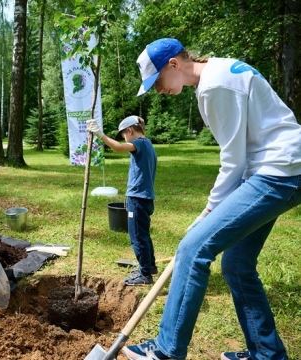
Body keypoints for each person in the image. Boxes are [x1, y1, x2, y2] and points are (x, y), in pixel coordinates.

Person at [122, 38, 301, 360]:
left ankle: (166, 350)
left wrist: (210, 209)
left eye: (157, 81)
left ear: (174, 64)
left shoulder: (214, 87)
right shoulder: (219, 71)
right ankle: (267, 354)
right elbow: (241, 155)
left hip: (277, 171)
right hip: (280, 169)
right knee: (236, 263)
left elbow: (233, 159)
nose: (158, 90)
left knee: (192, 247)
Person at [87, 116, 157, 286]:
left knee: (137, 237)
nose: (124, 139)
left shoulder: (139, 143)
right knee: (144, 235)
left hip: (138, 199)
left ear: (130, 131)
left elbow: (118, 147)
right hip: (145, 198)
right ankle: (149, 266)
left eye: (123, 135)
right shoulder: (148, 144)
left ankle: (145, 275)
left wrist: (100, 134)